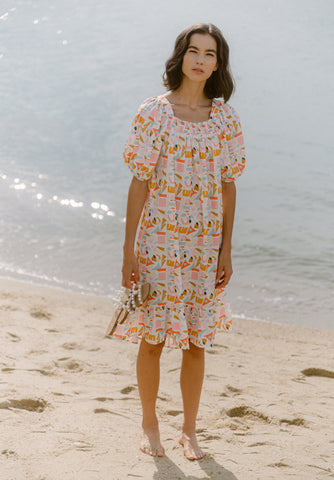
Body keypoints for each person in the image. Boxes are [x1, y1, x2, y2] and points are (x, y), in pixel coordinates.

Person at [113, 23, 246, 460]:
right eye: (194, 51)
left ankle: (189, 430)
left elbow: (228, 186)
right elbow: (139, 183)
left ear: (217, 64)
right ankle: (150, 423)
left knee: (195, 341)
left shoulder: (225, 119)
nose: (201, 60)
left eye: (210, 54)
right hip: (158, 242)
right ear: (181, 56)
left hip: (205, 247)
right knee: (151, 338)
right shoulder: (153, 112)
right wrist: (129, 250)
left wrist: (226, 249)